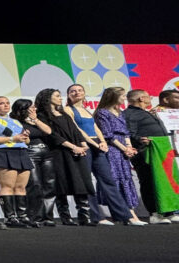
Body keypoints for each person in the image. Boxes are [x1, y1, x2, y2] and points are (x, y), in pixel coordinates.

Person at [63, 84, 124, 226]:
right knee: (87, 182)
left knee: (108, 180)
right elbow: (76, 129)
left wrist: (102, 142)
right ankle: (96, 216)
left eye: (80, 90)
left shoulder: (86, 110)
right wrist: (94, 144)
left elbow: (95, 127)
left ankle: (123, 215)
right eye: (73, 91)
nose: (77, 93)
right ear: (69, 95)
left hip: (97, 145)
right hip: (84, 145)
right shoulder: (68, 109)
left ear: (84, 93)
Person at [34, 88, 94, 226]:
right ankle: (65, 217)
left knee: (81, 182)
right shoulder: (42, 116)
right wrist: (73, 146)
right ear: (48, 98)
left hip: (76, 152)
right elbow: (52, 135)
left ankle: (84, 216)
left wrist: (83, 145)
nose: (61, 98)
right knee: (61, 184)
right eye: (57, 96)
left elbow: (75, 130)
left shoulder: (64, 113)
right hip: (58, 153)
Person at [123, 89, 179, 224]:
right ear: (141, 99)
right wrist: (140, 140)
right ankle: (154, 213)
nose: (151, 98)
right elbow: (128, 133)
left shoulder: (146, 112)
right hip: (145, 153)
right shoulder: (130, 114)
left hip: (161, 152)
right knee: (148, 182)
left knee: (165, 181)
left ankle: (168, 212)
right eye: (148, 96)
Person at [93, 87, 147, 226]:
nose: (124, 98)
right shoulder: (102, 113)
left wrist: (129, 146)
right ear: (114, 97)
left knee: (126, 178)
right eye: (122, 96)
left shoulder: (120, 112)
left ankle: (128, 213)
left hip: (123, 150)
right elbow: (108, 135)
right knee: (115, 178)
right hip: (112, 149)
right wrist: (124, 149)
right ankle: (127, 214)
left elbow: (126, 132)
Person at [0, 96, 33, 228]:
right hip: (3, 153)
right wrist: (12, 139)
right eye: (1, 103)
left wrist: (25, 137)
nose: (5, 105)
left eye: (7, 103)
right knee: (7, 186)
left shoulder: (16, 122)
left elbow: (26, 141)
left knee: (21, 187)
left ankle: (22, 216)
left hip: (21, 152)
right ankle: (10, 217)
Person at [13, 99, 56, 227]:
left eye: (34, 107)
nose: (34, 109)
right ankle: (35, 216)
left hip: (46, 153)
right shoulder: (15, 122)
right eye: (31, 107)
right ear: (23, 109)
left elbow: (49, 131)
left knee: (49, 185)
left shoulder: (37, 120)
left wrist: (35, 119)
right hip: (30, 152)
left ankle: (48, 217)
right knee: (35, 185)